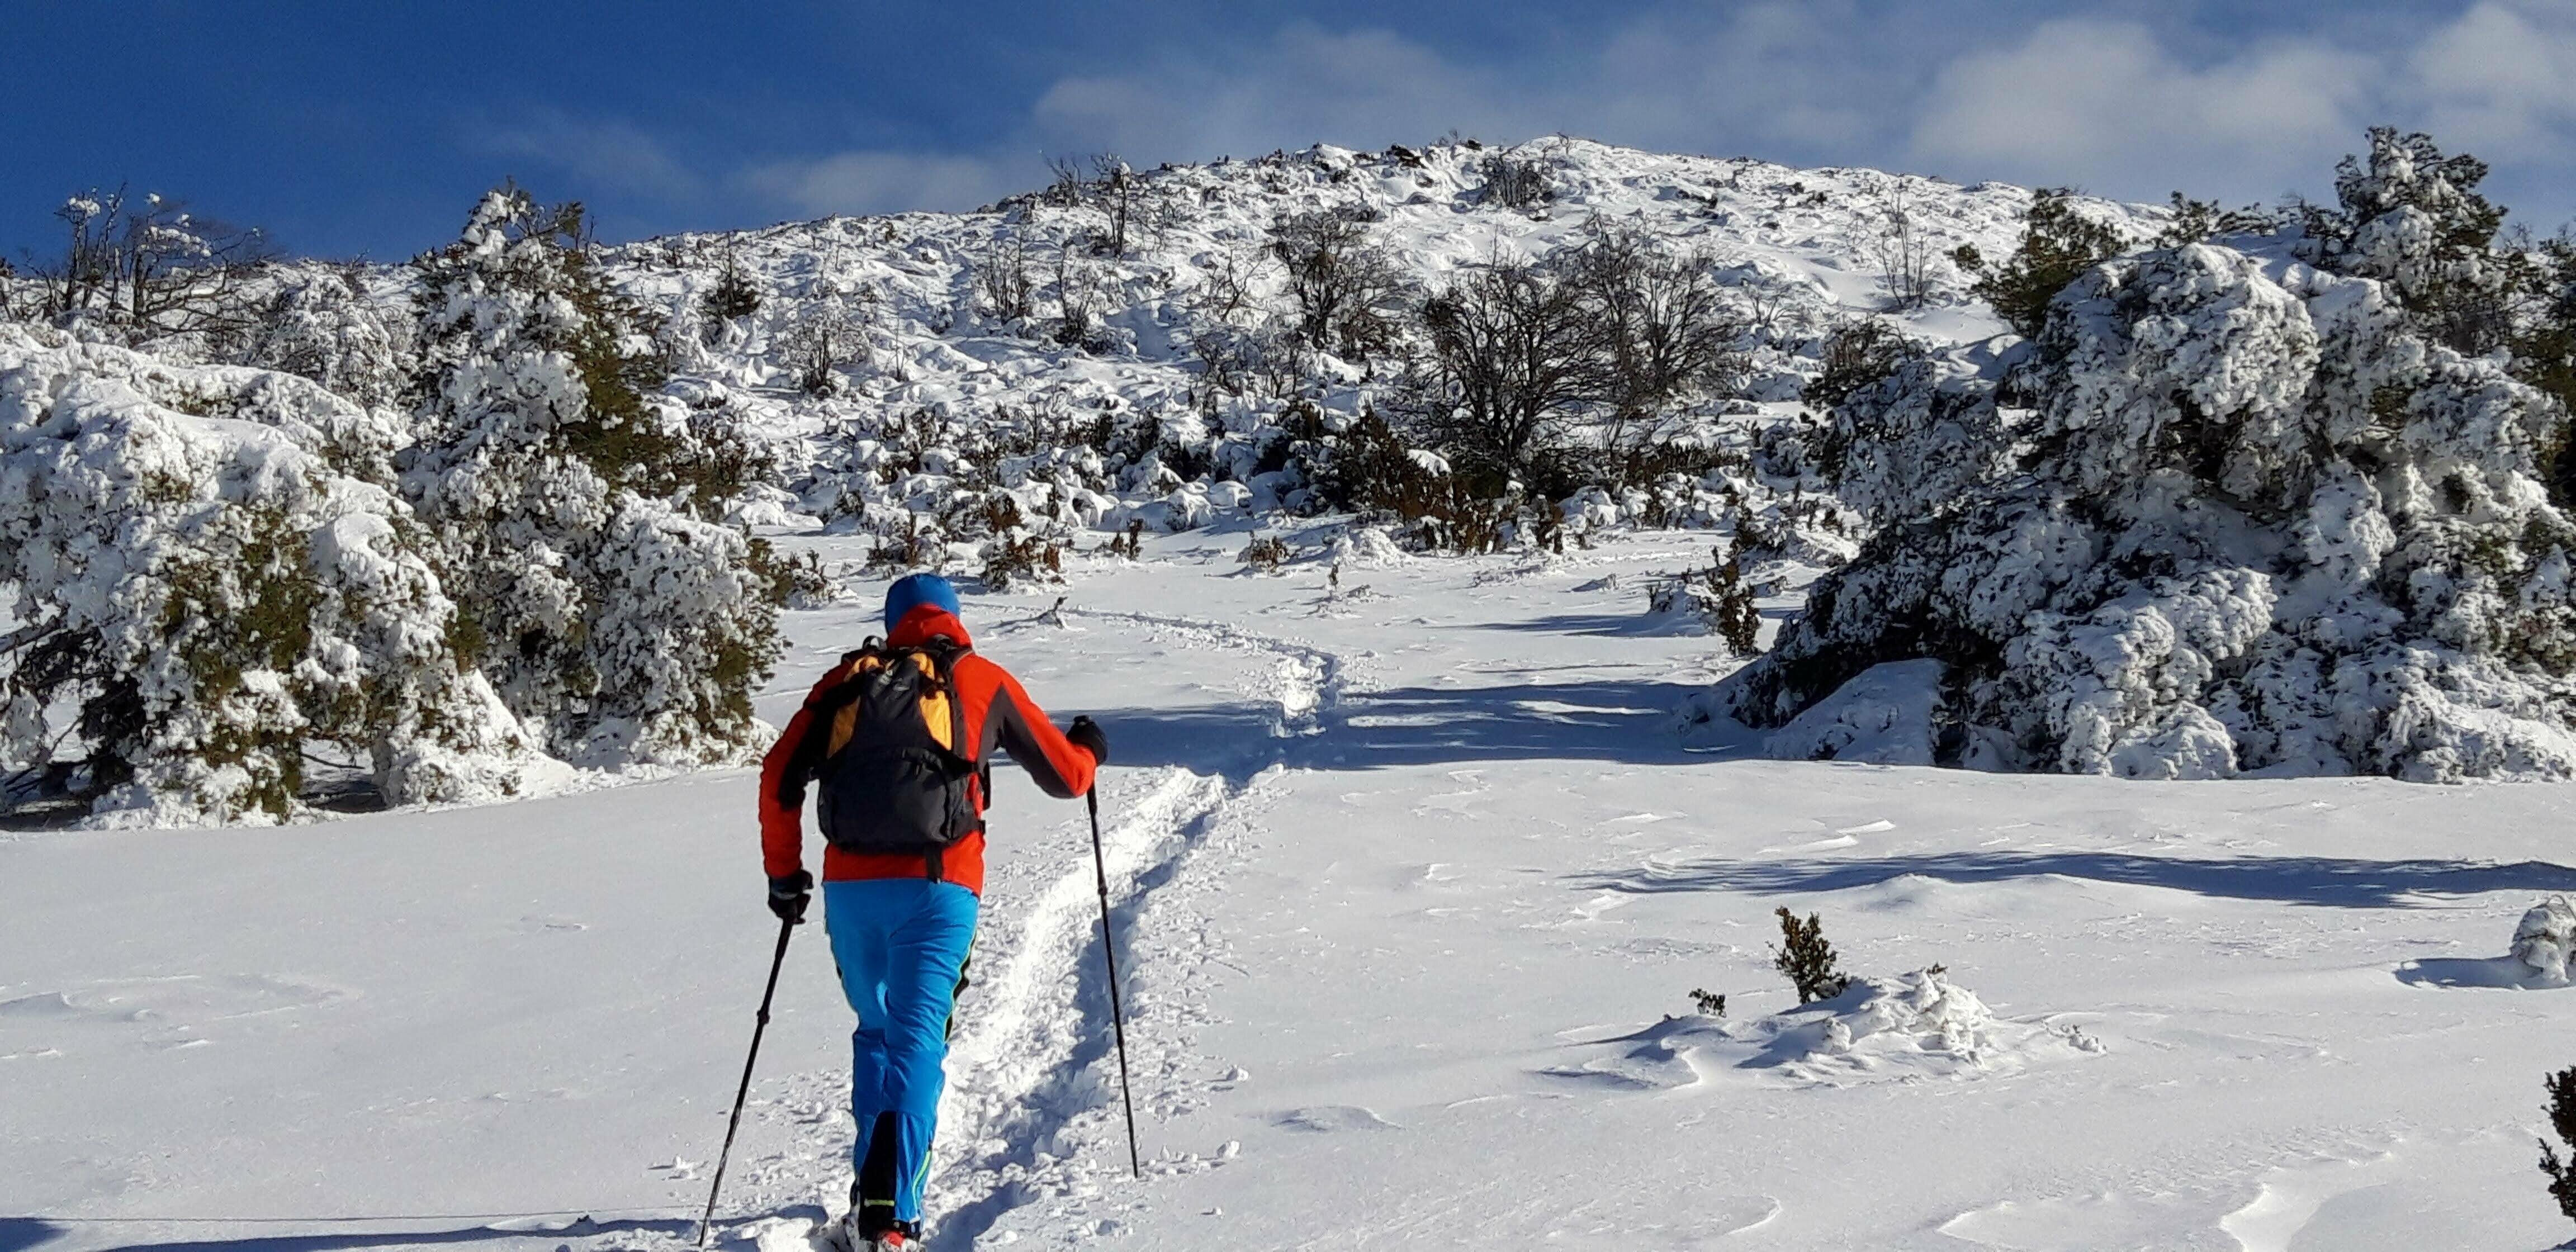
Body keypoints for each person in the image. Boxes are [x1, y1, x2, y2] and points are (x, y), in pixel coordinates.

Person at [761, 572, 1106, 1251]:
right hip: (939, 888)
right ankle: (892, 1219)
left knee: (877, 1031)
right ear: (953, 616)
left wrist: (783, 875)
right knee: (917, 1040)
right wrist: (1092, 747)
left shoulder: (845, 681)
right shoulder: (979, 678)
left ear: (893, 622)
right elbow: (1067, 777)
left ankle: (869, 1196)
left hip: (850, 891)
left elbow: (779, 774)